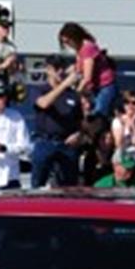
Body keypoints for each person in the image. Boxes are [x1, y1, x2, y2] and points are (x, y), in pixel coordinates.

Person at [29, 55, 85, 188]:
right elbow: (43, 103)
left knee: (69, 186)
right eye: (57, 68)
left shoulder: (72, 95)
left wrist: (78, 134)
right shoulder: (39, 90)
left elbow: (80, 122)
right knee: (38, 184)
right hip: (45, 142)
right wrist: (64, 85)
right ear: (49, 70)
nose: (60, 71)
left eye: (63, 68)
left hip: (66, 145)